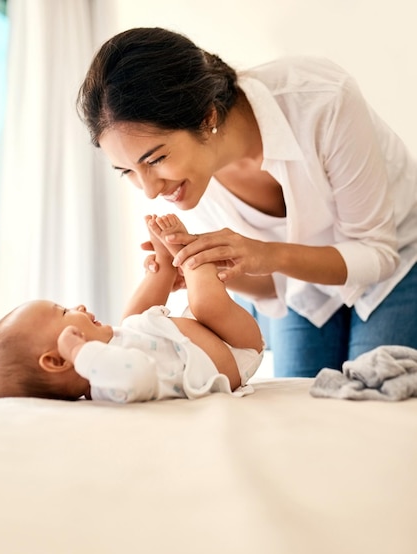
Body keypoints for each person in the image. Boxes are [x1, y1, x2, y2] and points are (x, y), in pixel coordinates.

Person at [76, 26, 417, 377]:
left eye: (156, 159)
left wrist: (266, 253)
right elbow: (274, 284)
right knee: (298, 407)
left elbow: (377, 254)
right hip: (304, 282)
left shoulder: (322, 99)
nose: (149, 190)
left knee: (373, 394)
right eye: (126, 171)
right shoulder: (190, 185)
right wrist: (209, 267)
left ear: (207, 116)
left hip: (396, 260)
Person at [0, 214, 264, 402]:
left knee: (131, 320)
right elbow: (139, 374)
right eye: (64, 312)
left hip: (202, 340)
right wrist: (82, 353)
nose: (76, 306)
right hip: (234, 351)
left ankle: (163, 266)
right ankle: (189, 254)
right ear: (58, 360)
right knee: (204, 304)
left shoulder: (112, 353)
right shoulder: (109, 384)